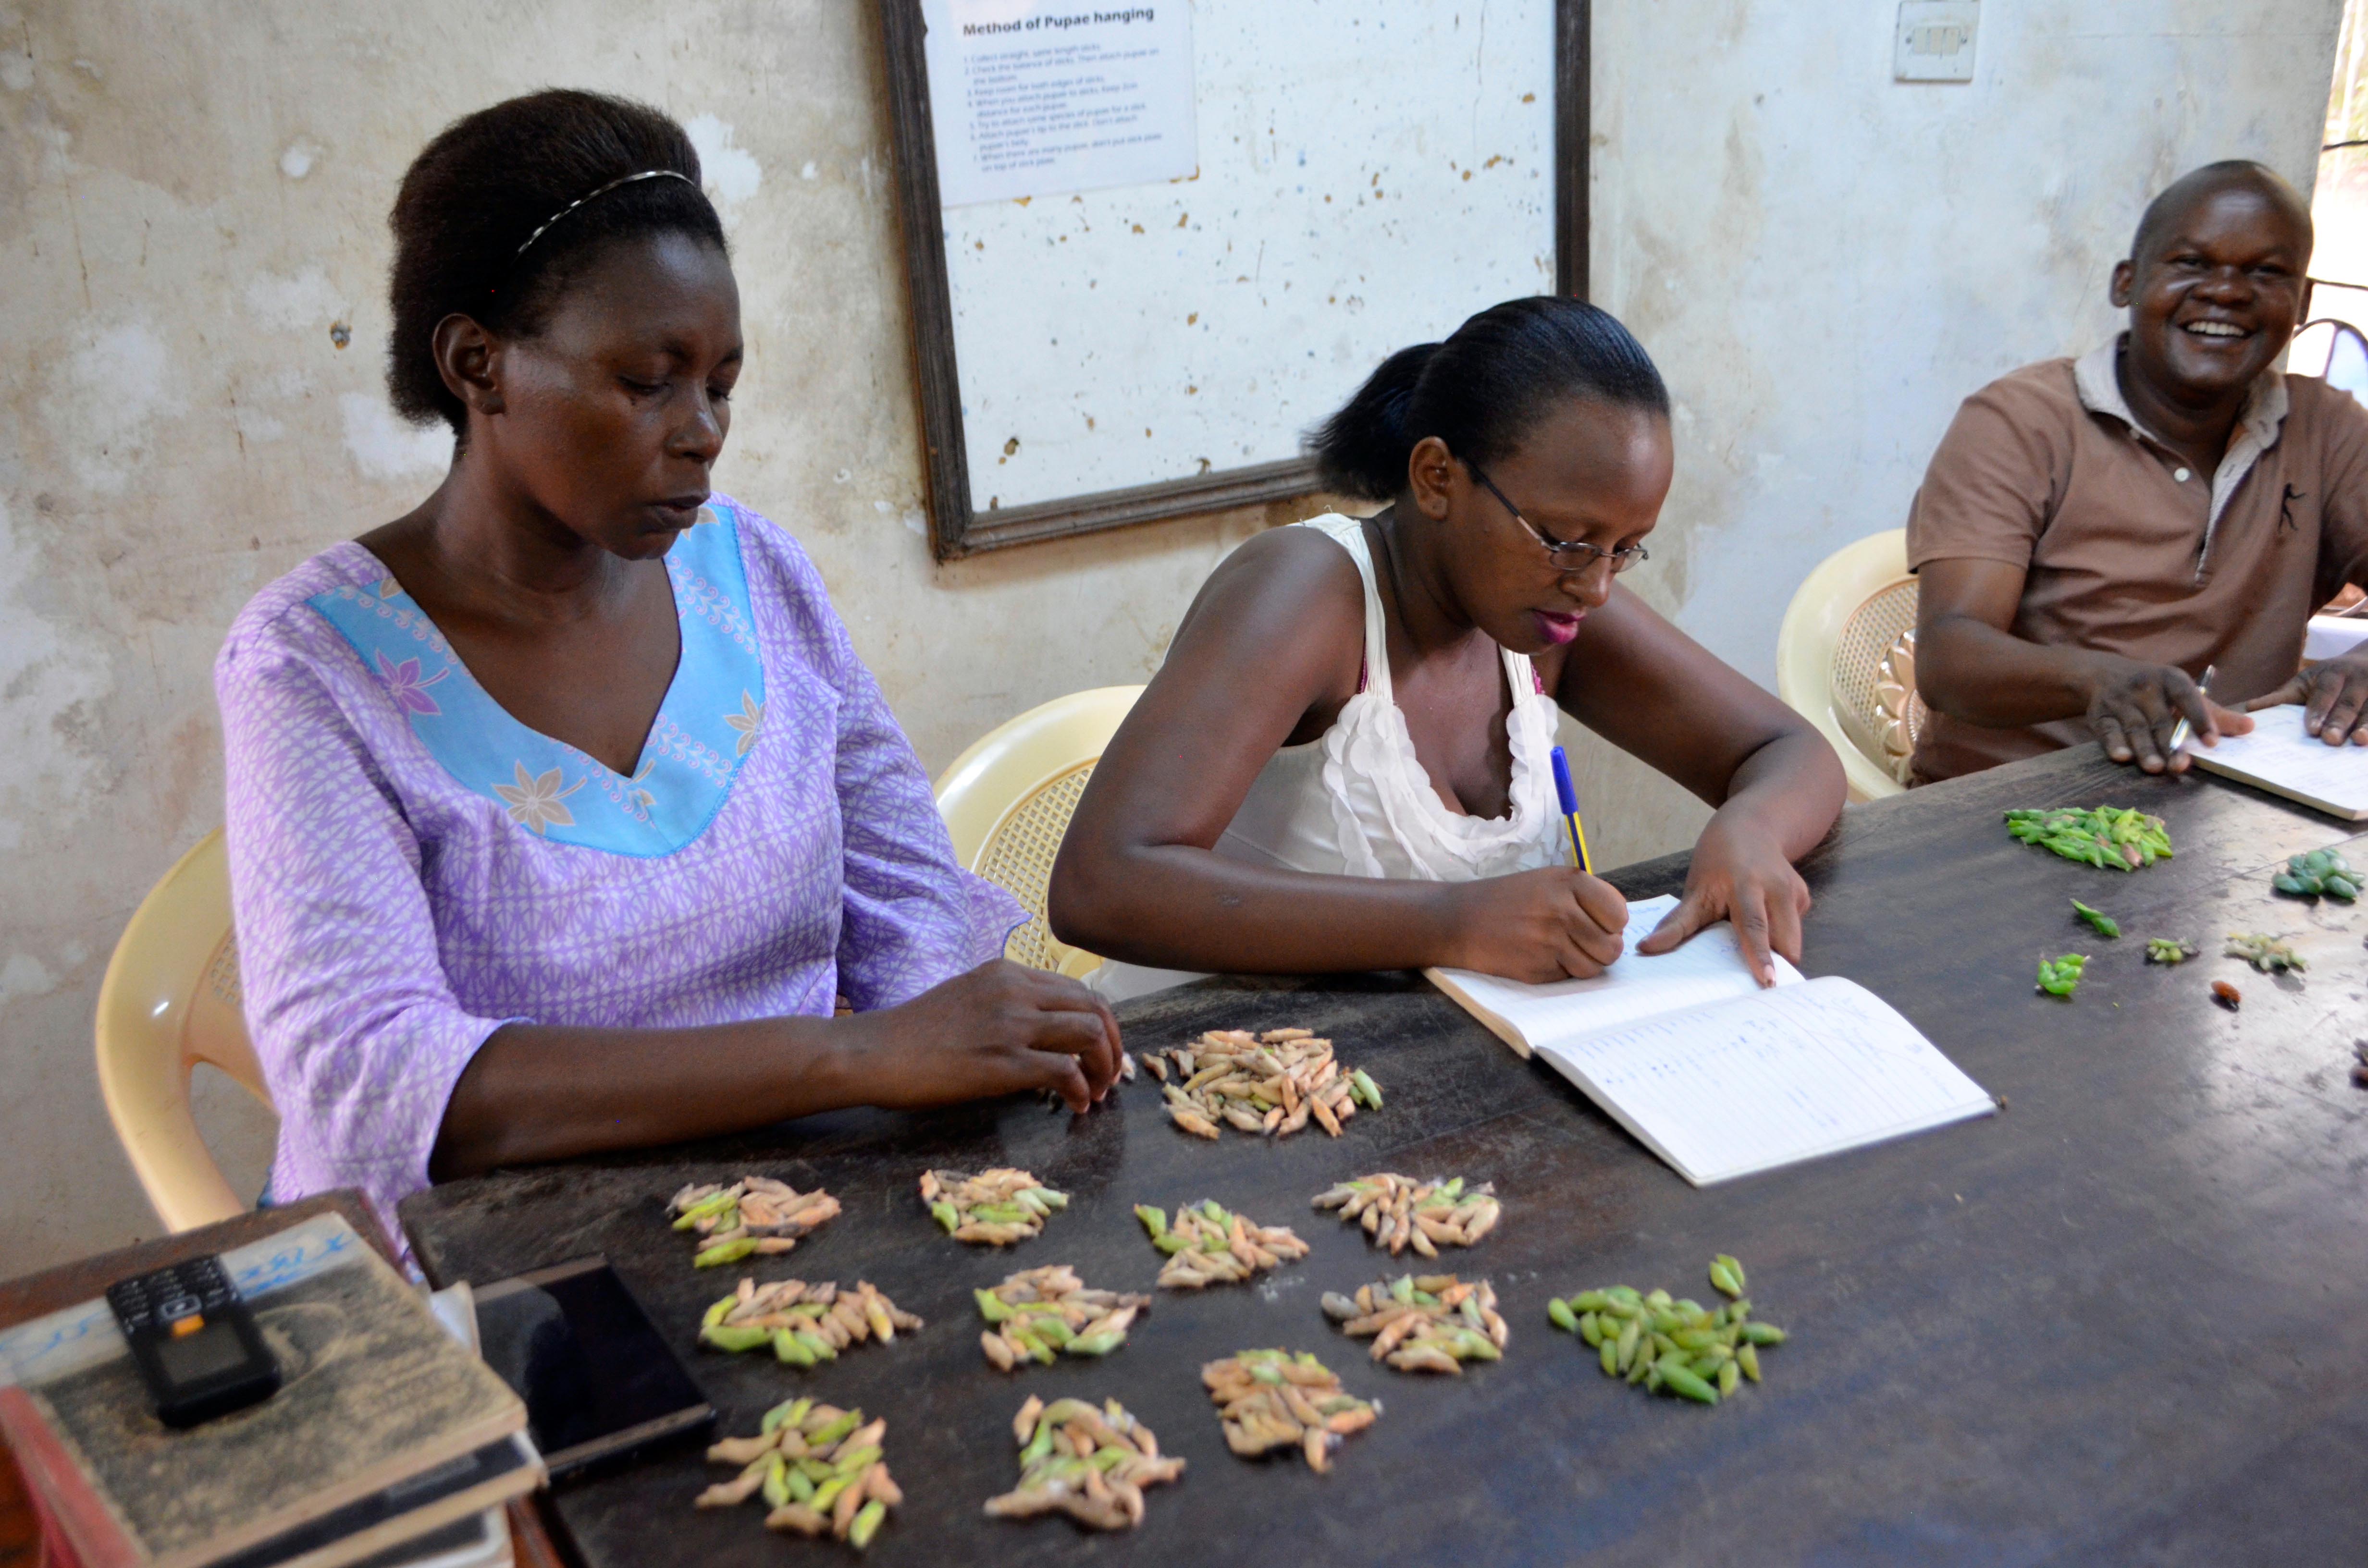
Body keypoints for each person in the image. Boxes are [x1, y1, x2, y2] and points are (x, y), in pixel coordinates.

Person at [216, 91, 1120, 1246]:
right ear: (477, 365)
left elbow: (910, 895)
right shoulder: (313, 667)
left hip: (800, 1215)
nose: (701, 431)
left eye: (721, 385)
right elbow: (369, 1077)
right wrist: (854, 1055)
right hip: (499, 1279)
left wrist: (976, 1046)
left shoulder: (753, 575)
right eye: (649, 384)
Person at [1047, 296, 1846, 998]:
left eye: (1626, 547)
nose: (1598, 586)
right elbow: (1105, 881)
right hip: (1210, 1083)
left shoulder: (1548, 606)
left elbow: (1789, 751)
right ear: (1436, 478)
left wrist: (1750, 830)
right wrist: (1450, 922)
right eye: (1569, 539)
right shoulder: (1309, 597)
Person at [1909, 160, 2368, 783]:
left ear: (2303, 302)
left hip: (2235, 810)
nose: (2226, 292)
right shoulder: (2021, 423)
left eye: (2265, 272)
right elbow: (1948, 658)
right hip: (2010, 814)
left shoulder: (2326, 427)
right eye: (2191, 264)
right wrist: (2096, 679)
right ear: (2126, 283)